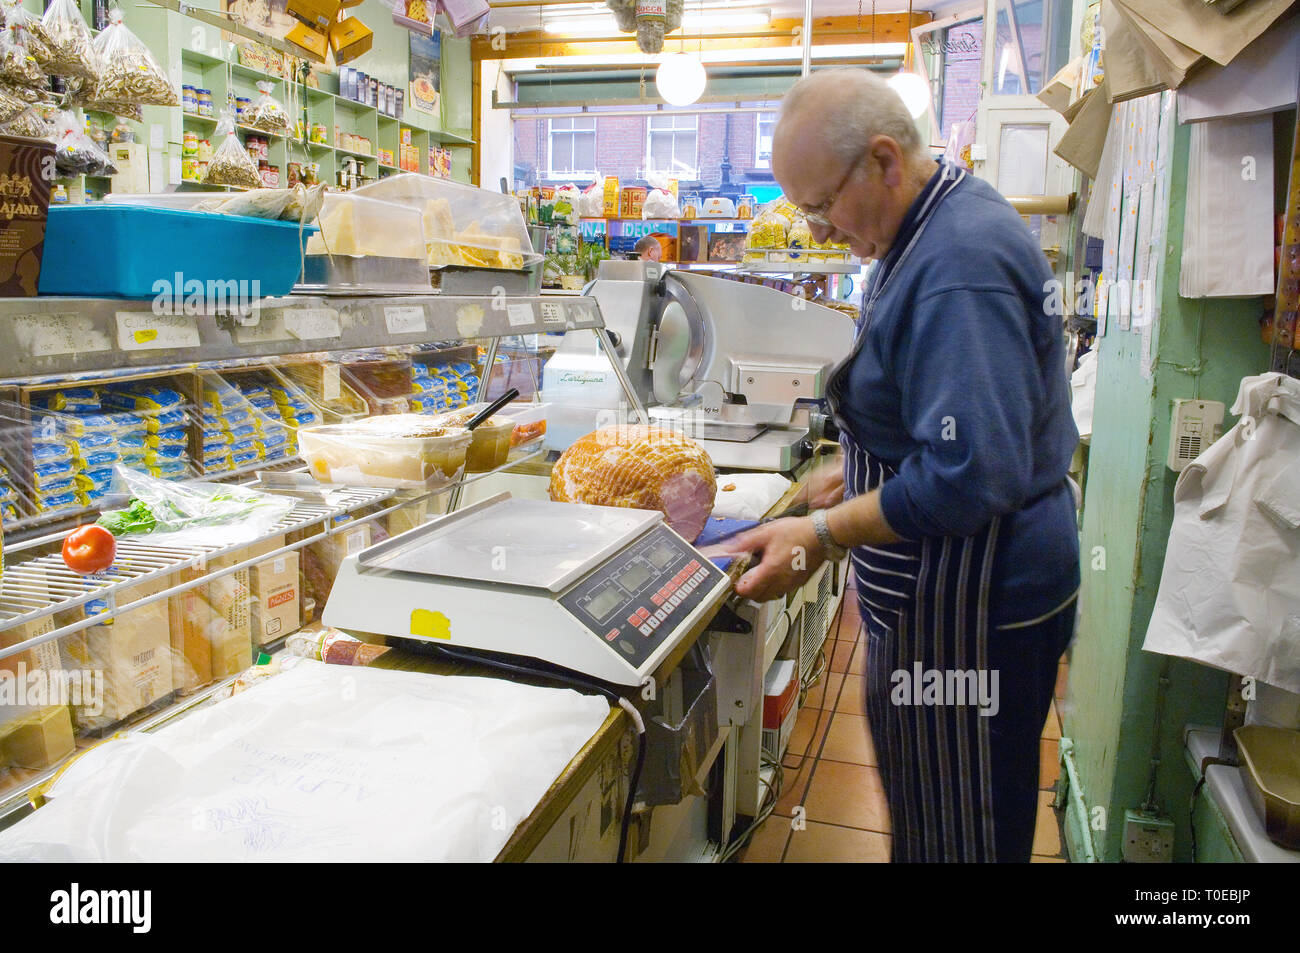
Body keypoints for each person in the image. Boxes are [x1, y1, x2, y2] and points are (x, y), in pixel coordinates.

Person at [728, 68, 1080, 862]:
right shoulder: (930, 214)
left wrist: (823, 531)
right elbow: (943, 419)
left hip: (970, 611)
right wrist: (852, 473)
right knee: (939, 823)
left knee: (958, 837)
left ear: (885, 160)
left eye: (819, 206)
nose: (815, 230)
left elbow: (966, 474)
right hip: (950, 596)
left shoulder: (958, 264)